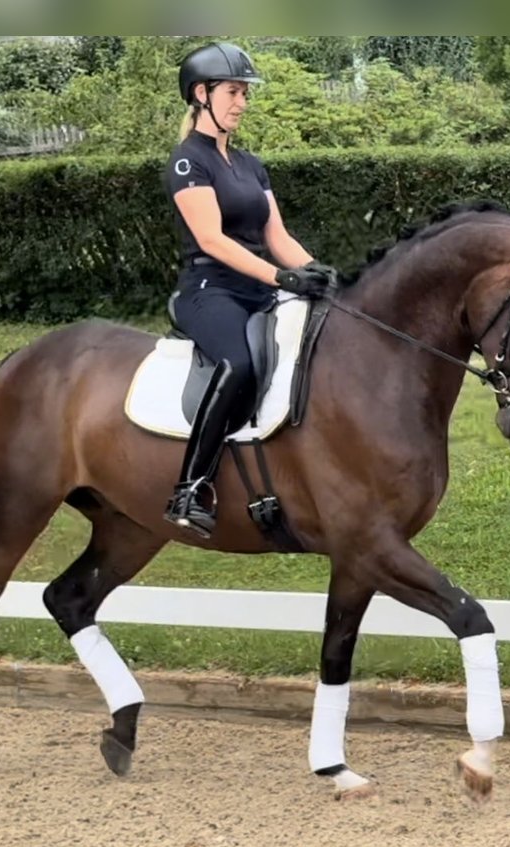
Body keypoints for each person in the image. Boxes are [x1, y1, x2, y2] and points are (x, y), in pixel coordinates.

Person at [162, 41, 337, 539]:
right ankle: (190, 487)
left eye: (244, 93)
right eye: (233, 92)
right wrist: (281, 278)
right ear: (201, 94)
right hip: (208, 291)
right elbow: (212, 239)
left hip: (257, 288)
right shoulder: (186, 162)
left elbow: (276, 237)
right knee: (238, 363)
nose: (242, 102)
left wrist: (318, 272)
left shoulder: (250, 164)